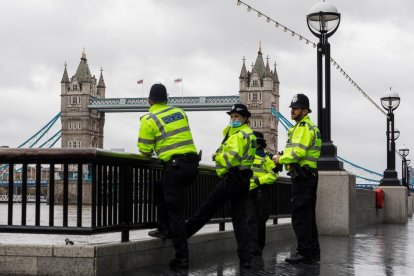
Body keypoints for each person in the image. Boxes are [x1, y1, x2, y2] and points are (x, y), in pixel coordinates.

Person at [185, 103, 256, 269]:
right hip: (243, 180)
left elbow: (231, 158)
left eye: (237, 116)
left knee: (207, 209)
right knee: (240, 221)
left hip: (232, 178)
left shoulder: (239, 135)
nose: (233, 119)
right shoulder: (247, 134)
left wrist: (217, 156)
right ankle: (246, 259)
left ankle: (182, 235)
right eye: (231, 117)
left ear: (245, 118)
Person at [137, 83, 199, 269]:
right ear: (167, 99)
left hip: (175, 167)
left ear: (150, 101)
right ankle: (163, 228)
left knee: (176, 214)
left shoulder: (149, 119)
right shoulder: (180, 112)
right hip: (192, 165)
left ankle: (182, 258)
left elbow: (145, 150)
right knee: (159, 186)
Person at [272, 93, 321, 264]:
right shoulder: (306, 127)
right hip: (308, 175)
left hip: (303, 177)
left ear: (305, 110)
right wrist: (283, 154)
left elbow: (298, 152)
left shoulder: (303, 127)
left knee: (300, 216)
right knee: (308, 216)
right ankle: (313, 253)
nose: (292, 111)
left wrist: (280, 159)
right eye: (292, 108)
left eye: (296, 108)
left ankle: (304, 252)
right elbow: (298, 150)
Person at [247, 131, 278, 257]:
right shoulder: (245, 156)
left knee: (260, 220)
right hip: (248, 192)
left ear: (259, 143)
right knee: (251, 219)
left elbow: (273, 175)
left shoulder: (267, 157)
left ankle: (259, 246)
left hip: (261, 191)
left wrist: (259, 181)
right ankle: (253, 247)